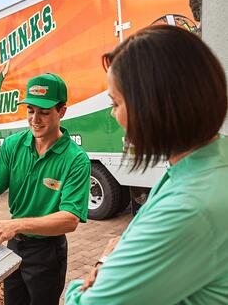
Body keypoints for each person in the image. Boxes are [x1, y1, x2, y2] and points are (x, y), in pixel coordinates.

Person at [65, 25, 228, 304]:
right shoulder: (210, 159)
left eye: (115, 103)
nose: (114, 116)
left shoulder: (188, 208)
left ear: (151, 106)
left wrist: (94, 274)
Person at [0, 73, 91, 305]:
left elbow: (70, 220)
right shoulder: (12, 145)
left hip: (47, 250)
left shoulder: (75, 159)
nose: (35, 119)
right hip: (14, 245)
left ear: (61, 112)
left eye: (44, 112)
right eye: (30, 111)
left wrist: (16, 224)